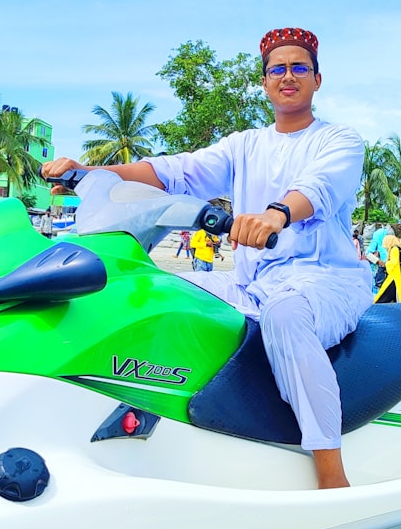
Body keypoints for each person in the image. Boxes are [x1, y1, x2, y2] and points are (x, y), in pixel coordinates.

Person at [42, 27, 370, 489]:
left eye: (299, 67)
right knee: (155, 291)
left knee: (284, 315)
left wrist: (276, 215)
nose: (288, 76)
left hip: (326, 281)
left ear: (317, 79)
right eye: (278, 69)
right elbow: (174, 171)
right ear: (265, 82)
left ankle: (332, 477)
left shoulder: (339, 140)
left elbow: (320, 187)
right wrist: (91, 173)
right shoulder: (244, 145)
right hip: (251, 282)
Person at [374, 233, 401, 303]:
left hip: (395, 277)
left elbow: (393, 262)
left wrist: (385, 264)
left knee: (383, 297)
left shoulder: (394, 249)